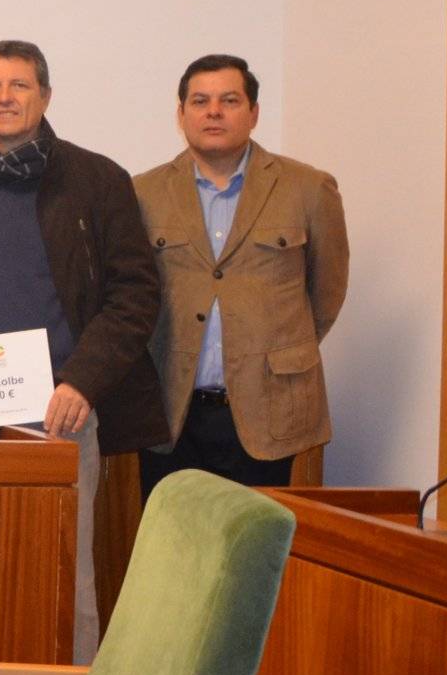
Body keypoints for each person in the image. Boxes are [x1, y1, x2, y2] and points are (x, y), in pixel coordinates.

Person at [0, 39, 163, 658]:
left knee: (65, 573)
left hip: (59, 412)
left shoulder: (97, 179)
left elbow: (134, 294)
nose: (5, 97)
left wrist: (83, 382)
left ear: (45, 95)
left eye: (19, 85)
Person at [133, 54, 349, 493]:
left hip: (270, 411)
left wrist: (276, 351)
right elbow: (134, 295)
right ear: (181, 114)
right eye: (200, 101)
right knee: (178, 550)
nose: (213, 111)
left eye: (229, 100)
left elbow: (325, 294)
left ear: (253, 113)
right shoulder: (143, 193)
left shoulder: (308, 189)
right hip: (173, 413)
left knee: (259, 550)